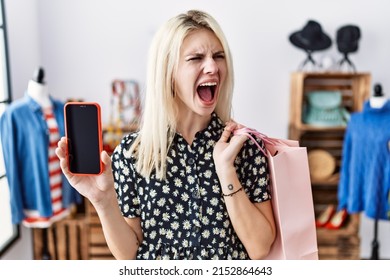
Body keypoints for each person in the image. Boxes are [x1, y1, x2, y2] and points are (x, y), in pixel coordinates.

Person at [56, 9, 275, 260]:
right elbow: (130, 255)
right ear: (168, 71)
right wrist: (102, 200)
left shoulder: (245, 146)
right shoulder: (131, 153)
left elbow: (260, 249)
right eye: (196, 58)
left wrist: (226, 170)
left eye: (218, 56)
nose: (213, 67)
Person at [0, 67, 81, 228]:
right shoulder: (13, 114)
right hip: (35, 198)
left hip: (63, 193)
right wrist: (16, 206)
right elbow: (12, 166)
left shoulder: (61, 107)